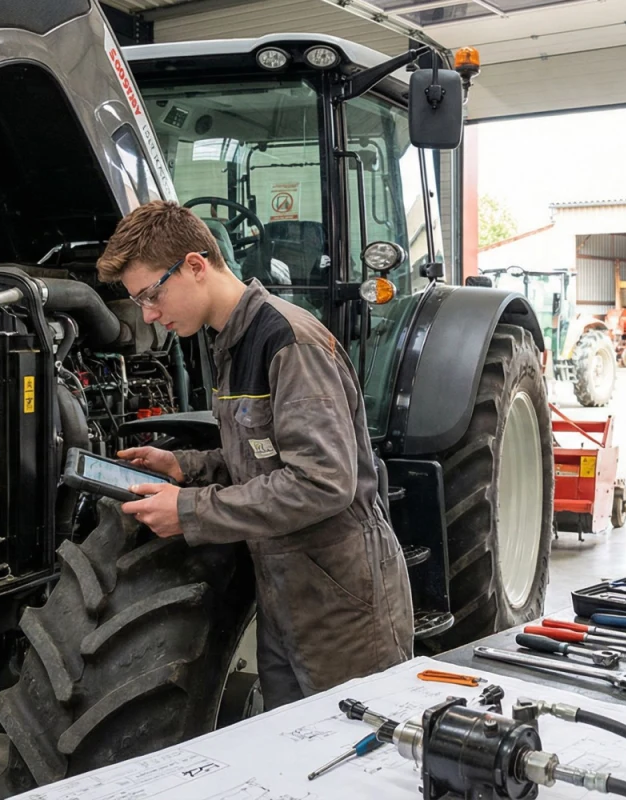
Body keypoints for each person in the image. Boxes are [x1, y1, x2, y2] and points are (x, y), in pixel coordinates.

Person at [101, 201, 413, 708]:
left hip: (341, 603)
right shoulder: (233, 343)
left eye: (151, 295)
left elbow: (321, 482)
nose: (149, 314)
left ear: (195, 265)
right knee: (293, 743)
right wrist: (185, 467)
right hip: (284, 595)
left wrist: (189, 511)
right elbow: (263, 459)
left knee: (358, 744)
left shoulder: (289, 341)